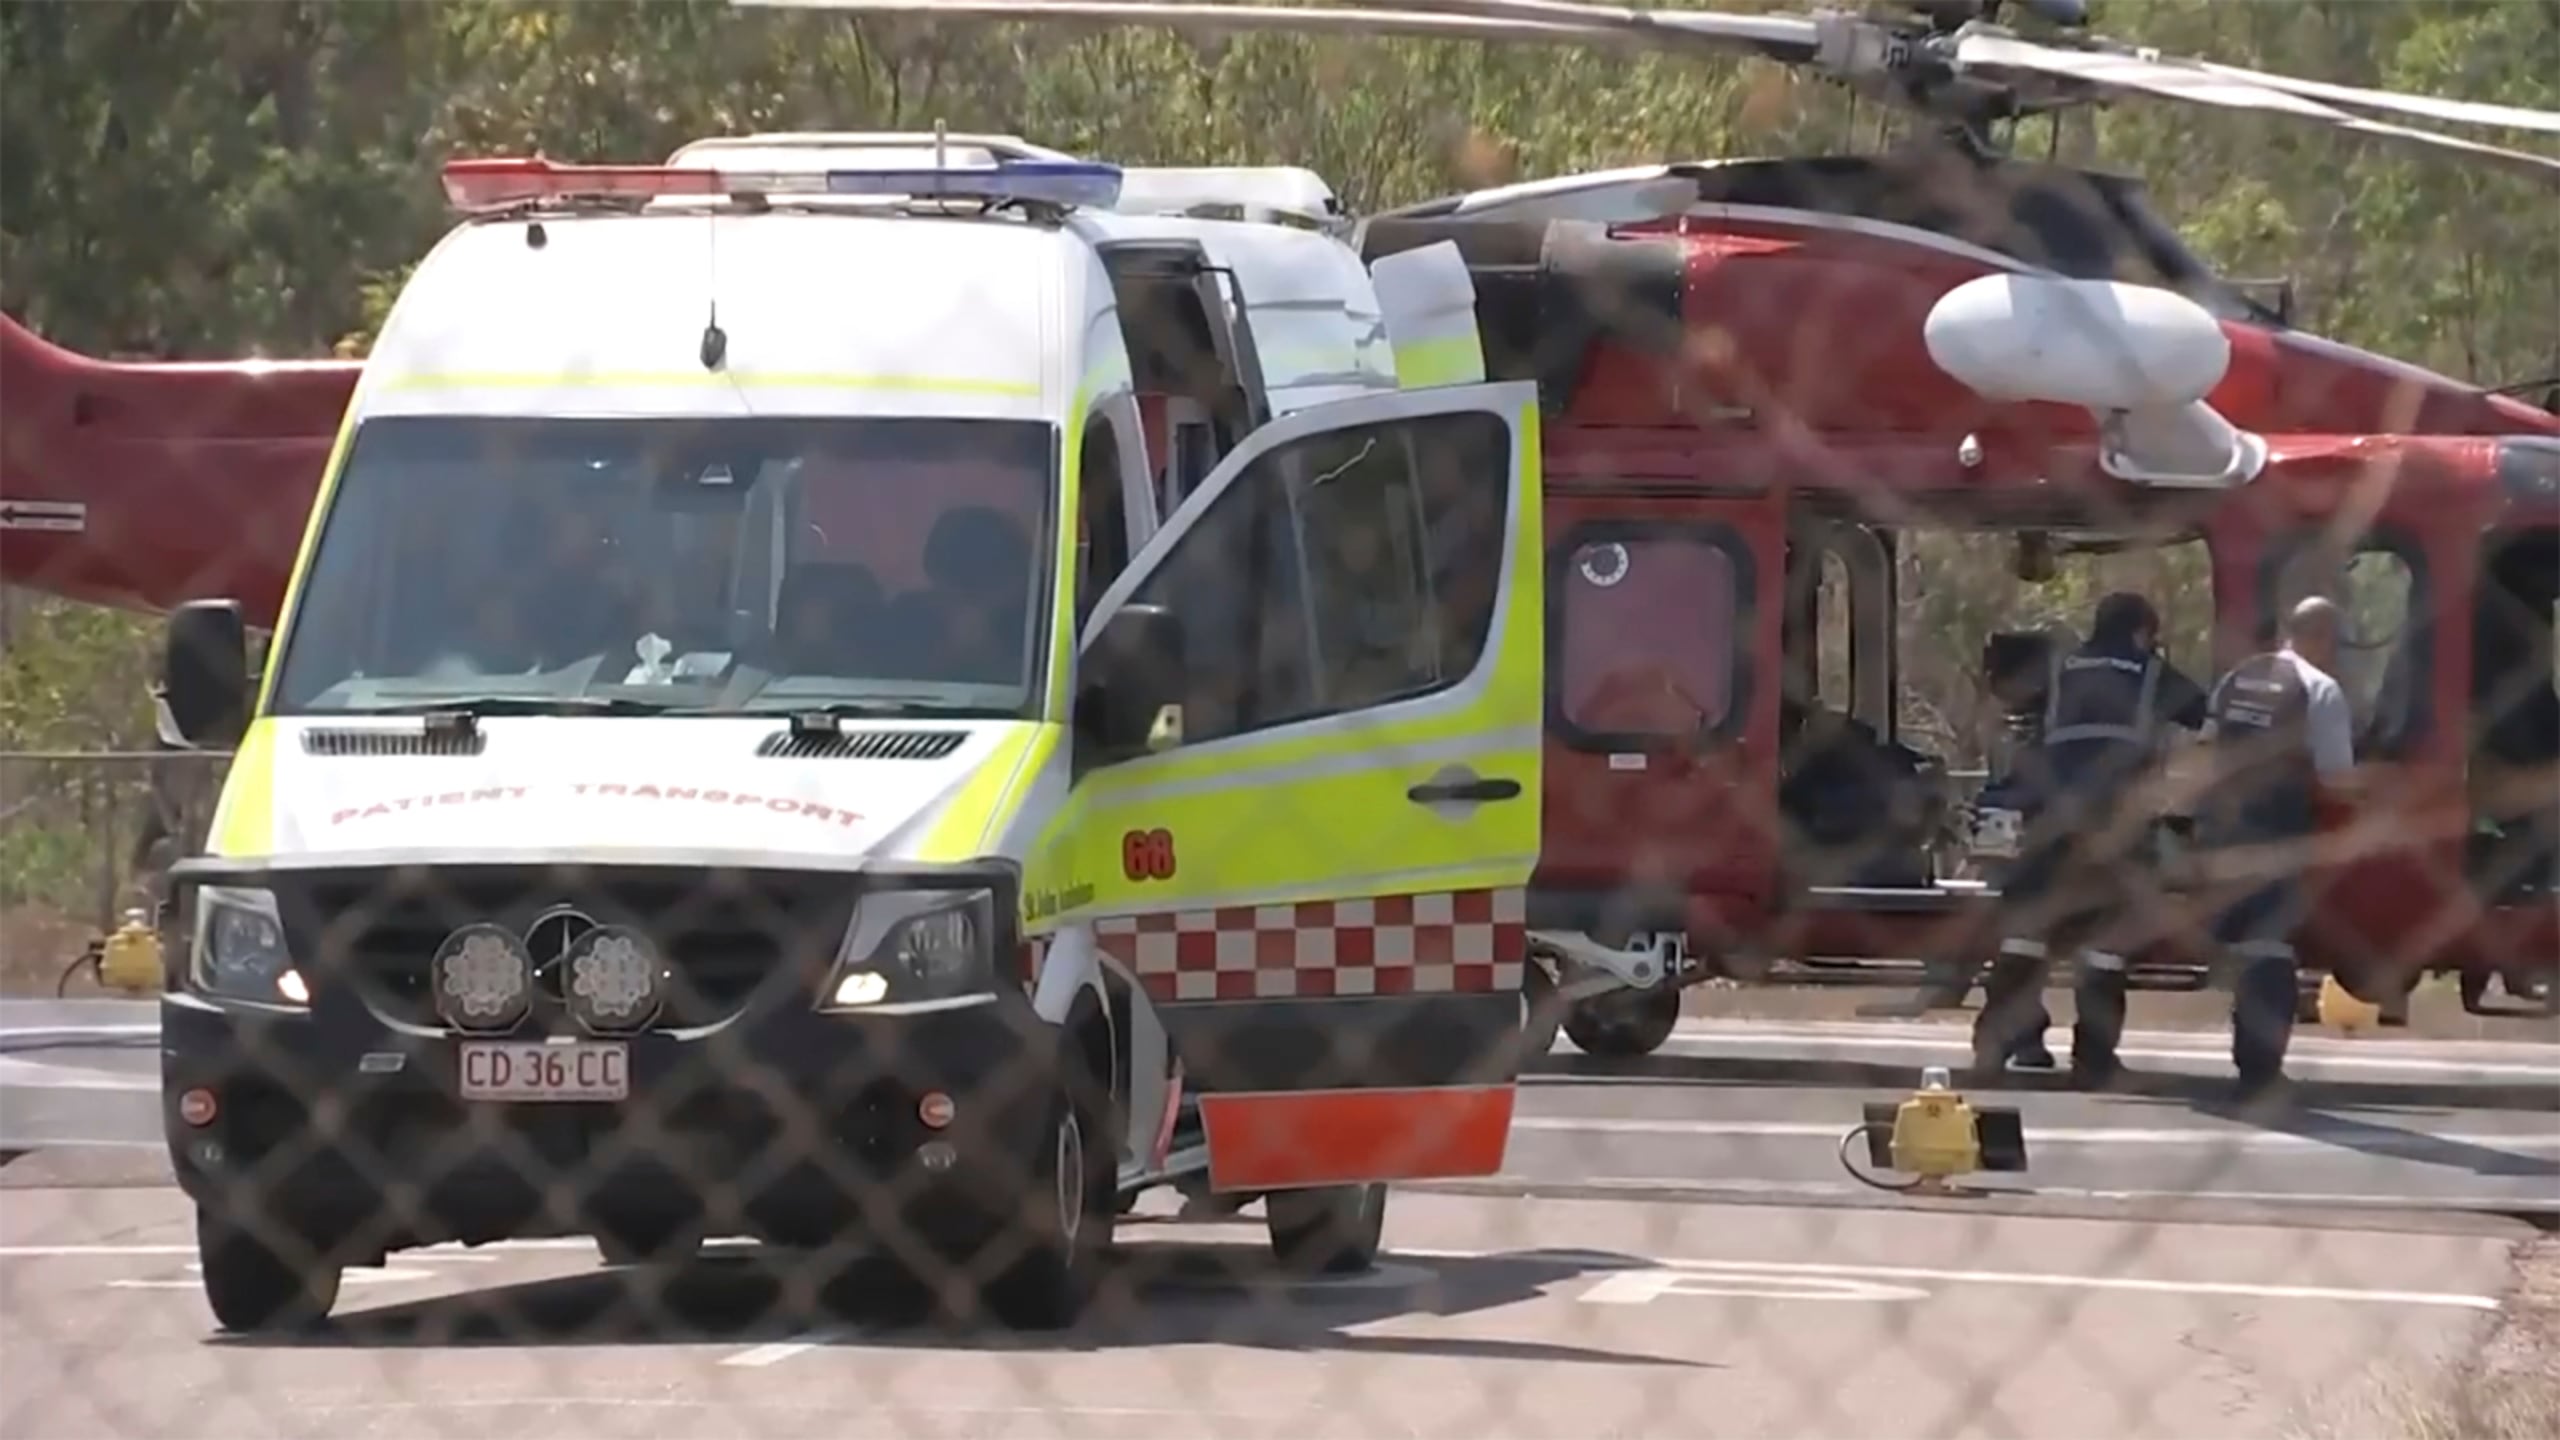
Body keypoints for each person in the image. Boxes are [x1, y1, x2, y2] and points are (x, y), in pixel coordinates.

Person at [1971, 592, 2210, 1085]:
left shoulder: (2061, 667)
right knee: (2105, 944)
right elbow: (2205, 716)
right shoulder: (2150, 671)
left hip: (2048, 815)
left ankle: (1992, 1048)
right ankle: (2094, 1058)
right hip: (2114, 822)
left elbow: (2012, 708)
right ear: (2144, 631)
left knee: (2025, 937)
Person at [2196, 595, 2361, 1099]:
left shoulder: (2238, 677)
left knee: (2245, 944)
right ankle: (2260, 1069)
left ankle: (2249, 1056)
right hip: (2277, 831)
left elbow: (2204, 748)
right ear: (2324, 637)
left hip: (2223, 831)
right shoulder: (2320, 690)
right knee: (2270, 949)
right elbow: (2336, 779)